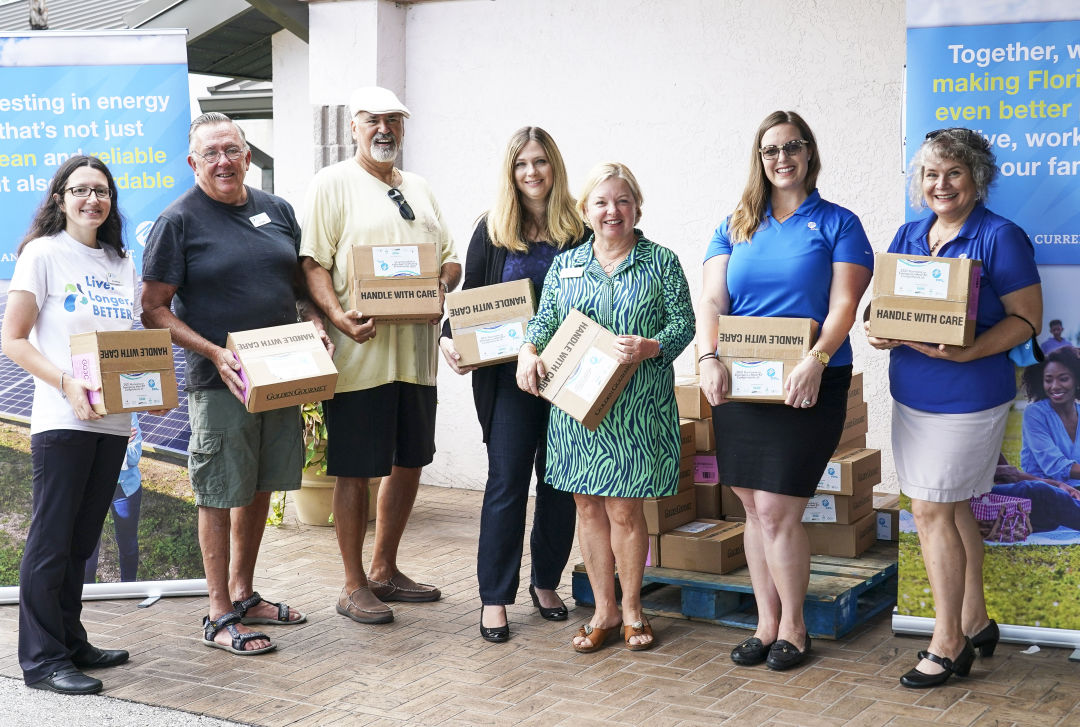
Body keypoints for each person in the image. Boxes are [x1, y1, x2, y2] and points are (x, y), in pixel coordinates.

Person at [142, 112, 328, 655]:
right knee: (219, 492)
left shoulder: (277, 211)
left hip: (278, 376)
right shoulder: (178, 221)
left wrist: (313, 320)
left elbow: (297, 286)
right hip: (220, 379)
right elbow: (154, 308)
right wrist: (214, 351)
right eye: (211, 153)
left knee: (260, 486)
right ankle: (219, 613)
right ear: (193, 162)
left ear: (248, 155)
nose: (223, 161)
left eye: (232, 150)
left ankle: (245, 594)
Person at [697, 111, 873, 672]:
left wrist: (817, 359)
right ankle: (764, 622)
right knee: (752, 505)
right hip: (743, 381)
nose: (781, 158)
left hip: (809, 377)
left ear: (809, 153)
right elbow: (713, 302)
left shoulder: (840, 223)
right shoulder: (734, 225)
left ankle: (794, 626)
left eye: (792, 147)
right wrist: (706, 357)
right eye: (770, 150)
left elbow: (844, 305)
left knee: (778, 507)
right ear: (760, 159)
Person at [866, 127, 1042, 688]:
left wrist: (969, 351)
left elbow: (1026, 319)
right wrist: (876, 326)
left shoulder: (1001, 237)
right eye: (931, 174)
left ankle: (948, 644)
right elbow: (887, 302)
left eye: (954, 173)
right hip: (913, 394)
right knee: (952, 505)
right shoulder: (911, 231)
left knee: (931, 511)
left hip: (968, 397)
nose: (941, 184)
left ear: (977, 178)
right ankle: (975, 620)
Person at [517, 162, 694, 653]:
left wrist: (651, 347)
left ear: (636, 207)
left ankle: (634, 610)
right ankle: (604, 611)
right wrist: (529, 351)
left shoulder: (661, 261)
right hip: (576, 410)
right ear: (586, 211)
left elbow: (684, 324)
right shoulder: (566, 264)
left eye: (621, 201)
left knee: (624, 510)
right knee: (588, 507)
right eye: (601, 202)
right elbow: (545, 320)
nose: (611, 210)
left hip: (636, 410)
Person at [301, 86, 461, 625]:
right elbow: (312, 264)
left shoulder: (419, 187)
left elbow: (450, 260)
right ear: (354, 127)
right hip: (359, 357)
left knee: (409, 460)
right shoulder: (332, 184)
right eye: (373, 120)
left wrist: (438, 284)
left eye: (394, 120)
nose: (384, 129)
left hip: (415, 357)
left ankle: (385, 569)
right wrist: (336, 316)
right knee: (354, 469)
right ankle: (352, 585)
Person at [439, 127, 584, 642]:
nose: (532, 173)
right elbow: (466, 304)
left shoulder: (579, 232)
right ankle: (494, 597)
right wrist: (448, 340)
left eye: (540, 162)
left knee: (560, 484)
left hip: (567, 376)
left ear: (554, 167)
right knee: (506, 483)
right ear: (511, 172)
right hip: (507, 380)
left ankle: (546, 582)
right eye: (521, 164)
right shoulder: (492, 230)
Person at [2, 156, 139, 694]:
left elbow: (127, 343)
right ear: (60, 198)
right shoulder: (42, 254)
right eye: (80, 190)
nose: (92, 200)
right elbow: (12, 339)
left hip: (112, 422)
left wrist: (148, 393)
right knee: (52, 539)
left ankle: (70, 639)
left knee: (82, 539)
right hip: (63, 418)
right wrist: (66, 383)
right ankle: (41, 659)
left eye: (102, 192)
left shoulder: (119, 261)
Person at [84, 413, 143, 583]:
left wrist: (102, 444)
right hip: (92, 488)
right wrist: (118, 442)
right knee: (88, 545)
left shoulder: (128, 414)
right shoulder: (84, 412)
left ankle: (128, 587)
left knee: (128, 544)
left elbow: (133, 457)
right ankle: (87, 592)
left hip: (125, 489)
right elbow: (82, 455)